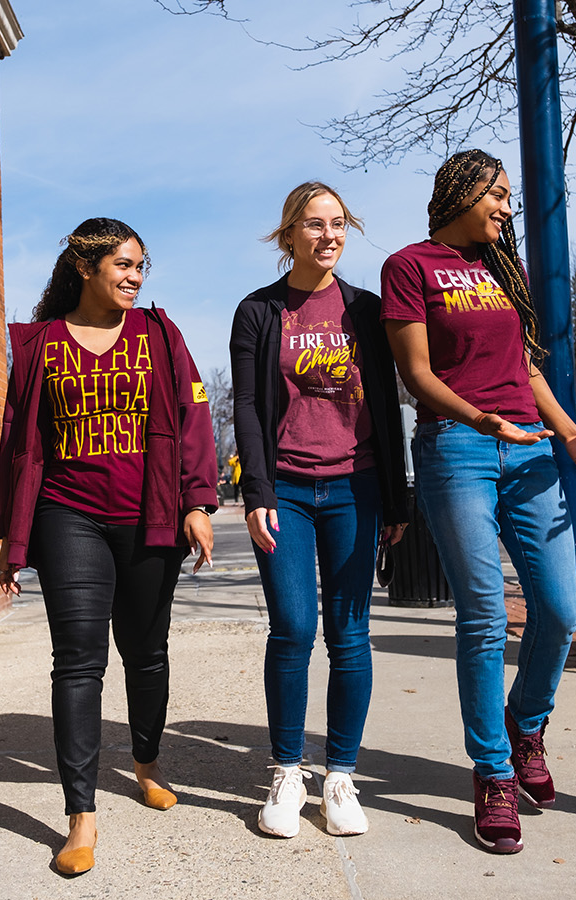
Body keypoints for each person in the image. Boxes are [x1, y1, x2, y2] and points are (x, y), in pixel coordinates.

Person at [380, 150, 576, 854]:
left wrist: (573, 434)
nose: (507, 209)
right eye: (498, 196)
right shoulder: (410, 266)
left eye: (511, 199)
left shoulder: (501, 271)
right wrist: (478, 419)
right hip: (457, 448)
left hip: (531, 449)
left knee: (561, 607)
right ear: (461, 191)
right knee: (484, 614)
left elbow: (525, 368)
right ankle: (492, 774)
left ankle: (526, 724)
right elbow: (416, 373)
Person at [0, 217, 218, 876]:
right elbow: (20, 444)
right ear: (85, 267)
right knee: (78, 660)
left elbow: (195, 414)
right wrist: (14, 538)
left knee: (146, 653)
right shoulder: (40, 345)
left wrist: (198, 502)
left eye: (141, 266)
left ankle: (146, 763)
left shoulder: (158, 334)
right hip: (70, 516)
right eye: (122, 265)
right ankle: (81, 816)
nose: (134, 277)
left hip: (149, 515)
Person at [229, 181, 409, 838]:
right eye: (313, 224)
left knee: (350, 635)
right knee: (294, 628)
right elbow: (247, 407)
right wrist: (257, 494)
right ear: (289, 234)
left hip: (356, 489)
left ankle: (340, 775)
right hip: (289, 492)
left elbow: (386, 406)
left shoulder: (366, 309)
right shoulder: (258, 312)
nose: (327, 235)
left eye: (337, 224)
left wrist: (396, 495)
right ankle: (286, 772)